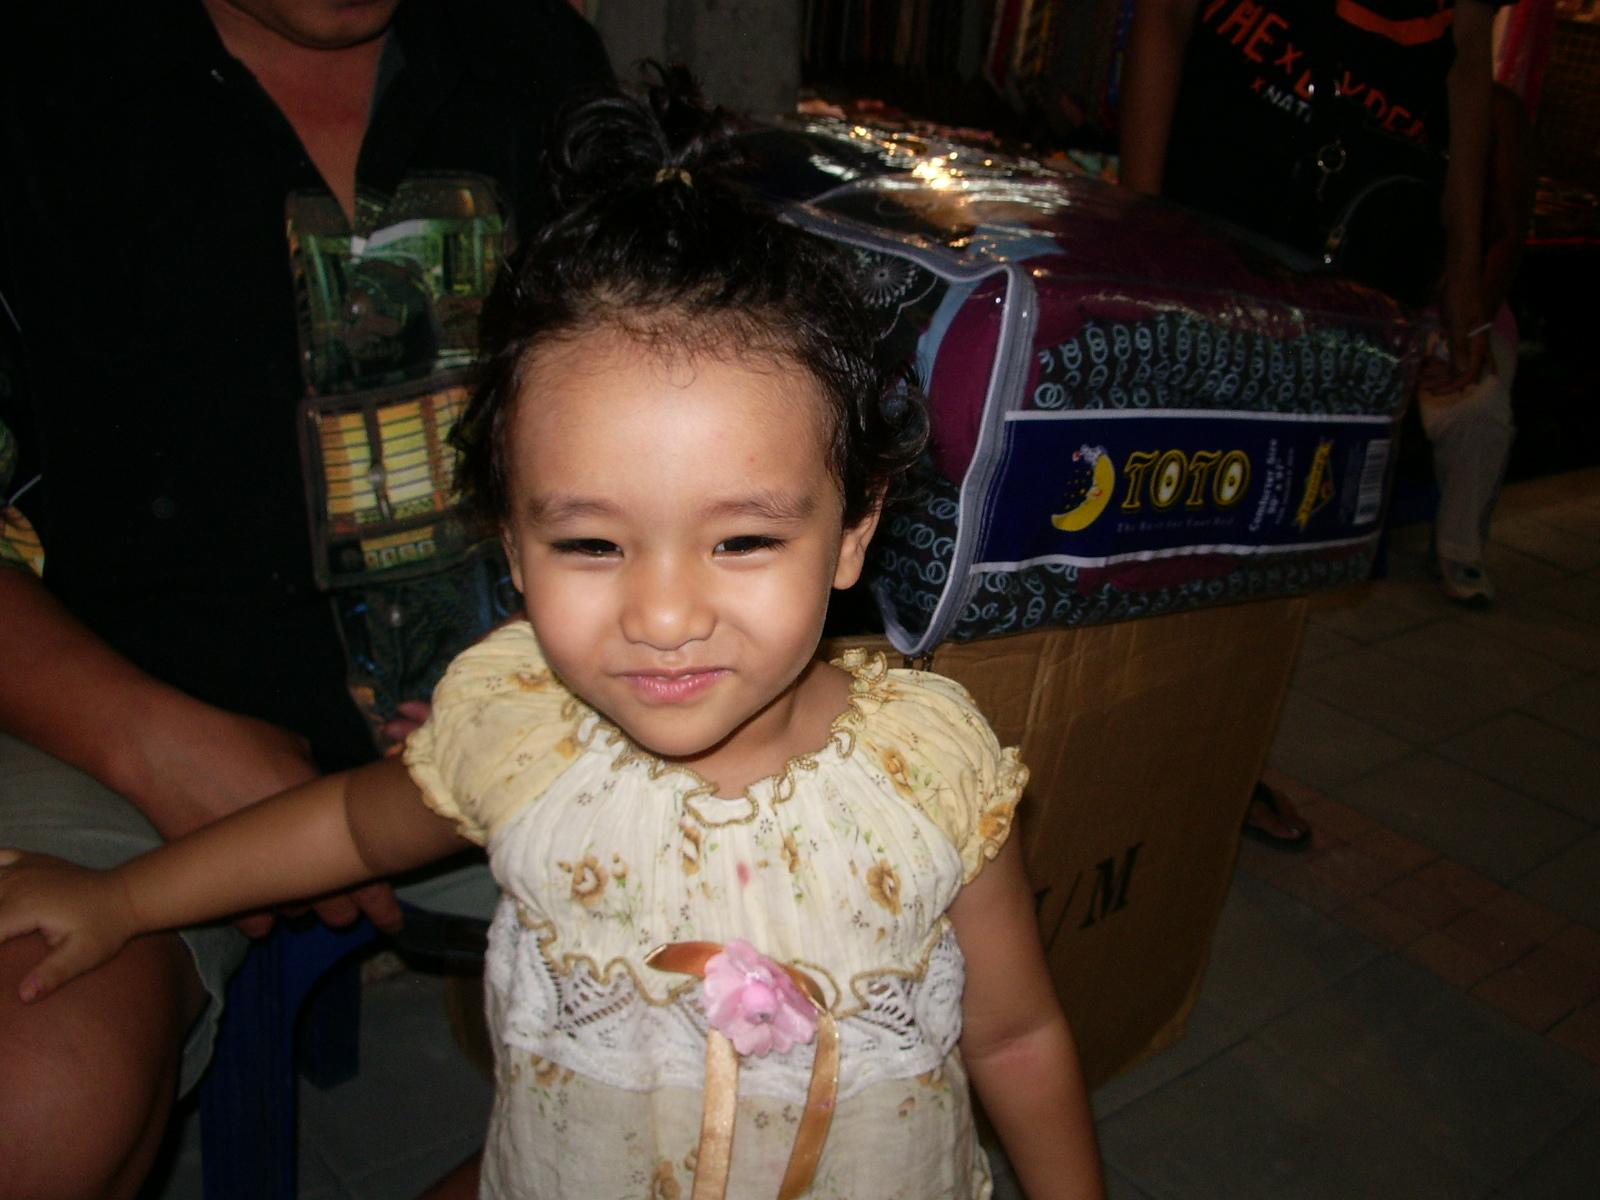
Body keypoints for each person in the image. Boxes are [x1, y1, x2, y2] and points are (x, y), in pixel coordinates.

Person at [0, 82, 1106, 1200]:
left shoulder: (927, 777)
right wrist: (124, 901)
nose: (663, 617)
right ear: (512, 547)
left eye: (742, 540)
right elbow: (345, 824)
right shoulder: (522, 734)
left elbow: (1014, 1036)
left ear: (853, 529)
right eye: (589, 544)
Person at [0, 2, 610, 1196]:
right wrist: (142, 738)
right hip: (99, 711)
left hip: (545, 704)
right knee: (34, 1097)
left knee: (809, 1015)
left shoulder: (533, 49)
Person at [1118, 0, 1510, 847]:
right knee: (1160, 504)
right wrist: (1139, 222)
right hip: (1215, 210)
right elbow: (1165, 14)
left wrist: (1461, 270)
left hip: (1362, 243)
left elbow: (1467, 73)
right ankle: (1131, 746)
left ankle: (1223, 758)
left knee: (1279, 528)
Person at [1420, 82, 1533, 607]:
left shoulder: (1498, 109)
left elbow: (1510, 230)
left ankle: (1459, 548)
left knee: (1480, 407)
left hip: (1468, 308)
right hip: (1381, 301)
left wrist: (1468, 326)